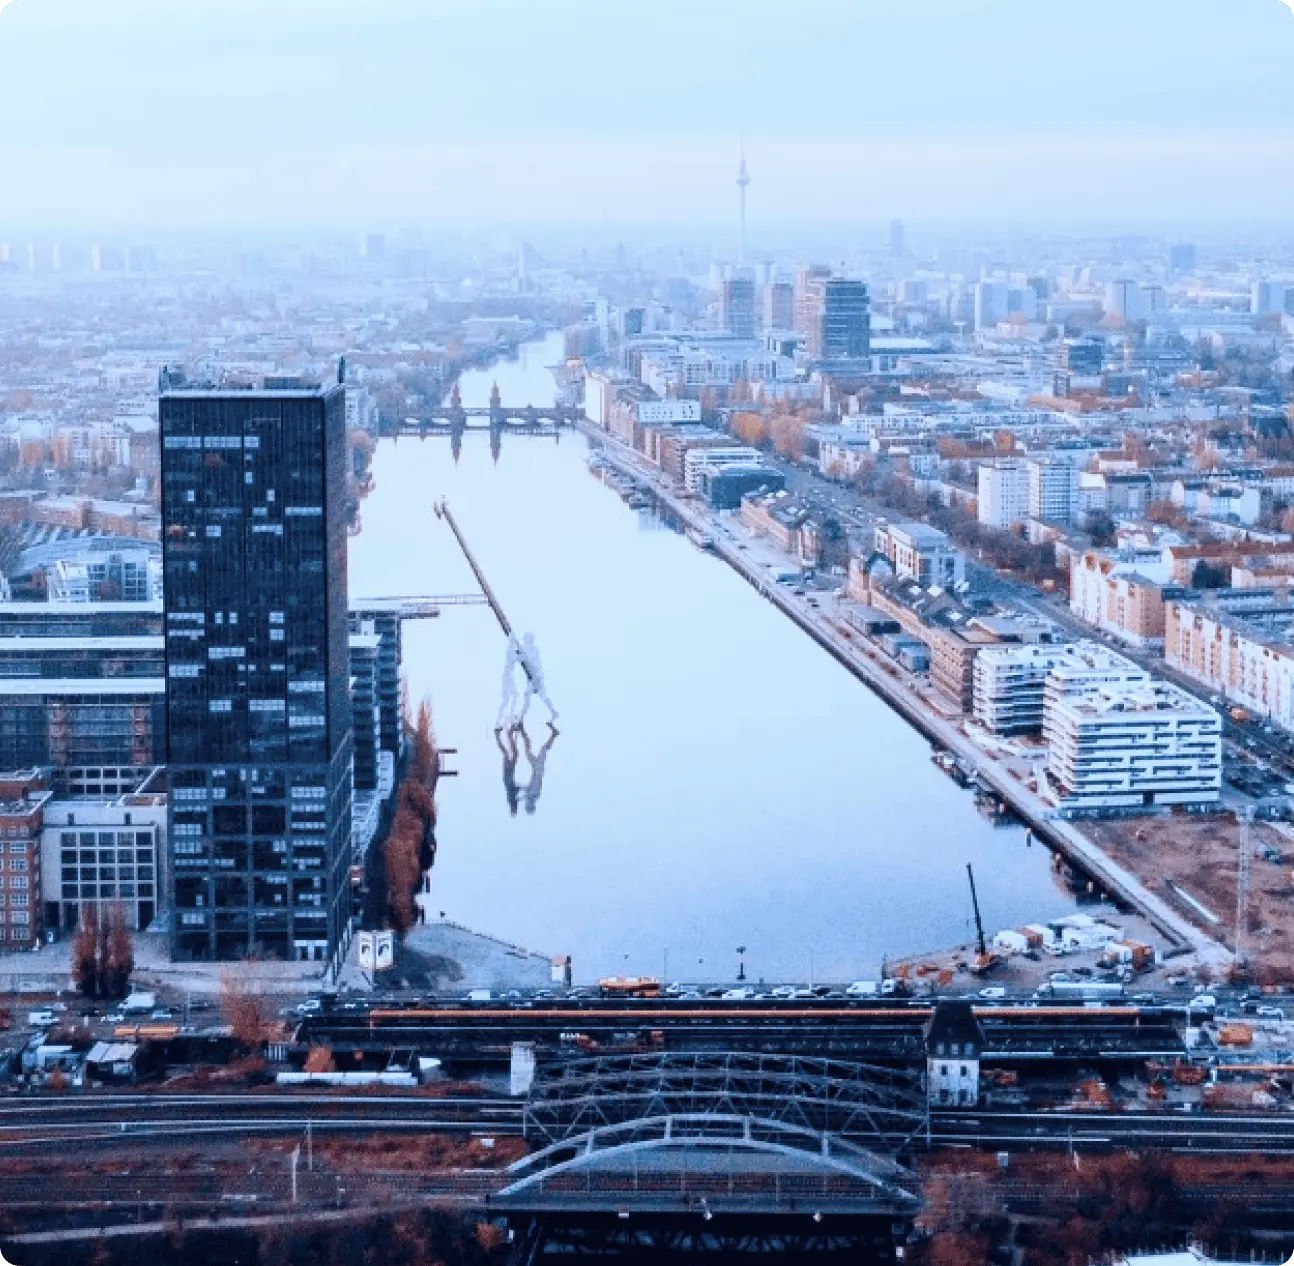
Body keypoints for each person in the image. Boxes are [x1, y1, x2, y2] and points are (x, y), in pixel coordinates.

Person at [515, 631, 559, 724]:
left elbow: (528, 659)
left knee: (535, 697)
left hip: (535, 676)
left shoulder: (532, 648)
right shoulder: (529, 648)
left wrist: (518, 654)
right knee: (533, 697)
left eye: (527, 638)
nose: (525, 640)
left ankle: (521, 716)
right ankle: (521, 716)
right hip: (532, 676)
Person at [520, 721, 560, 815]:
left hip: (535, 768)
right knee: (543, 749)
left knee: (527, 752)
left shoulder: (531, 797)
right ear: (531, 806)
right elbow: (532, 789)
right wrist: (524, 795)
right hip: (539, 769)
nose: (527, 804)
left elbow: (527, 788)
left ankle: (522, 730)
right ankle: (554, 734)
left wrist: (521, 794)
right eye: (528, 806)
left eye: (527, 806)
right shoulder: (535, 796)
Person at [495, 724, 521, 817]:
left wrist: (519, 789)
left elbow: (512, 792)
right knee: (513, 754)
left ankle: (501, 734)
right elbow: (514, 791)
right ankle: (507, 734)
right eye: (515, 811)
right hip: (509, 776)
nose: (515, 809)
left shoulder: (511, 801)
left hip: (508, 776)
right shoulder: (513, 802)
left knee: (508, 754)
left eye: (514, 810)